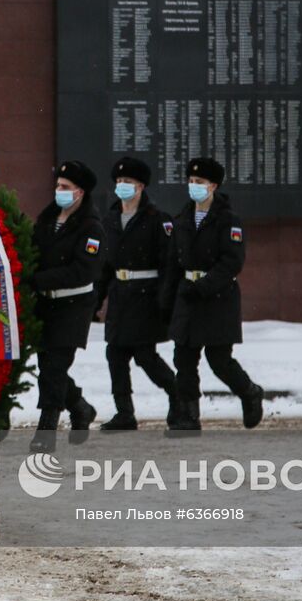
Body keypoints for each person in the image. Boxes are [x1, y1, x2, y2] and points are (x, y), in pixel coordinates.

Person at [165, 157, 264, 431]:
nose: (194, 186)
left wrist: (205, 286)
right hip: (188, 294)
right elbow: (174, 261)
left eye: (200, 182)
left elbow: (232, 262)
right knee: (183, 358)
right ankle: (188, 415)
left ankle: (250, 392)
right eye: (191, 181)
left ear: (213, 186)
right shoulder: (182, 218)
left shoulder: (228, 220)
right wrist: (167, 298)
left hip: (217, 298)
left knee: (219, 360)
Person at [93, 157, 182, 430]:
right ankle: (124, 413)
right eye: (119, 182)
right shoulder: (109, 220)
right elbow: (105, 266)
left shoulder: (158, 220)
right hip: (120, 296)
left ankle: (179, 396)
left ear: (141, 186)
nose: (122, 186)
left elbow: (169, 264)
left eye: (128, 182)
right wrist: (96, 302)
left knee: (145, 355)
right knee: (115, 354)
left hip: (147, 296)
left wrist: (165, 301)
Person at [28, 160, 105, 452]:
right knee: (47, 366)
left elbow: (82, 271)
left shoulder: (91, 227)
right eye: (58, 186)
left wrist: (38, 279)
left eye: (65, 187)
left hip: (73, 306)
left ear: (80, 192)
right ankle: (80, 407)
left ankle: (46, 430)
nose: (59, 191)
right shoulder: (48, 219)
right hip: (46, 305)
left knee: (55, 368)